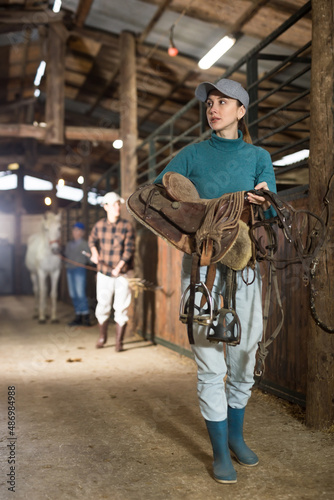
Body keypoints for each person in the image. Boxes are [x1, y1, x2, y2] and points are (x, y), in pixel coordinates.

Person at [154, 79, 277, 484]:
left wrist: (263, 202)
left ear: (241, 111)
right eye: (210, 103)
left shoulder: (259, 156)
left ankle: (237, 438)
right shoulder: (190, 154)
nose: (214, 108)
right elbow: (166, 195)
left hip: (244, 269)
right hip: (203, 268)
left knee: (245, 353)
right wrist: (195, 217)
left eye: (223, 102)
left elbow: (272, 212)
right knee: (209, 363)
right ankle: (219, 451)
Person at [88, 192, 135, 351]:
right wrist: (94, 252)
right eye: (114, 204)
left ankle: (119, 342)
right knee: (103, 305)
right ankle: (102, 337)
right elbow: (91, 240)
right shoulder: (99, 225)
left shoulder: (127, 226)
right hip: (103, 273)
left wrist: (118, 267)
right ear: (106, 207)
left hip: (122, 274)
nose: (117, 207)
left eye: (118, 204)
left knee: (121, 307)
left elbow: (129, 250)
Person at [64, 222, 92, 327]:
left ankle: (86, 316)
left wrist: (91, 258)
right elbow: (66, 256)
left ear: (82, 232)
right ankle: (78, 316)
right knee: (73, 294)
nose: (74, 232)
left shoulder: (84, 244)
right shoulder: (69, 244)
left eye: (77, 230)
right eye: (74, 230)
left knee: (80, 293)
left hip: (79, 270)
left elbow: (90, 258)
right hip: (70, 270)